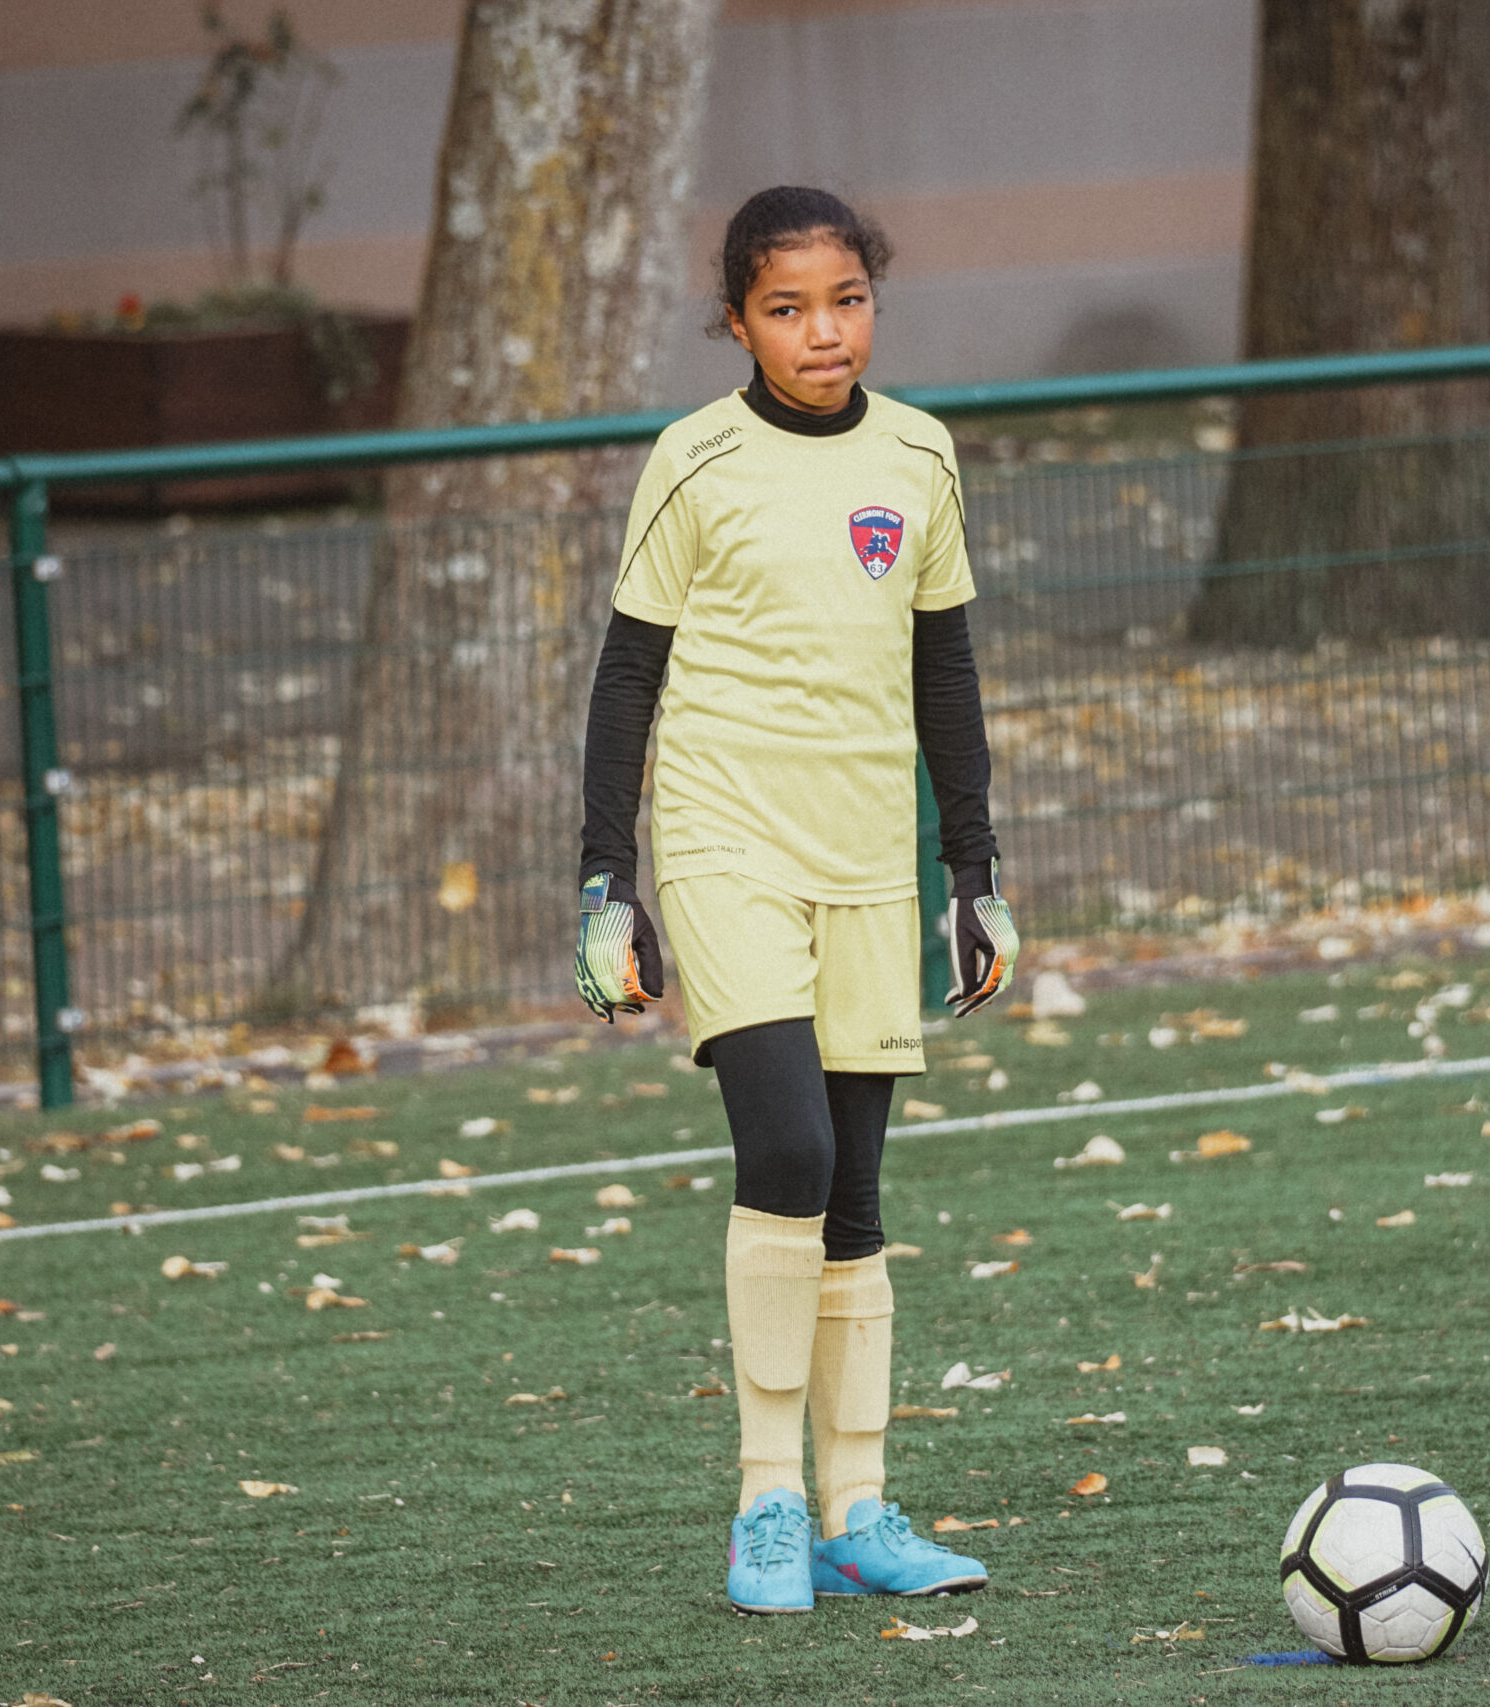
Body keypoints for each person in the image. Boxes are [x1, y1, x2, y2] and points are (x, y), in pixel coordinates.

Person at [572, 185, 1018, 1616]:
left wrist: (977, 878)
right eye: (787, 306)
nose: (823, 332)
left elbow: (944, 675)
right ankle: (767, 1498)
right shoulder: (693, 462)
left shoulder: (921, 457)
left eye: (846, 300)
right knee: (788, 1148)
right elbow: (627, 673)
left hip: (866, 860)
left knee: (859, 1192)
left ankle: (857, 1511)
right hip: (723, 846)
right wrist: (605, 879)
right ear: (736, 319)